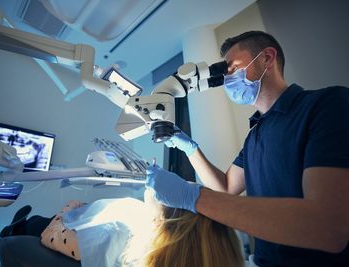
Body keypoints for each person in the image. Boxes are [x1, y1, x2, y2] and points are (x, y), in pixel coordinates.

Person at [146, 30, 349, 267]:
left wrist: (193, 197)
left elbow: (329, 227)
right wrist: (190, 149)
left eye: (232, 68)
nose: (228, 79)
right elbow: (226, 187)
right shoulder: (255, 134)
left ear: (267, 58)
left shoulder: (326, 105)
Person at [0, 190, 244, 267]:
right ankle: (19, 225)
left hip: (53, 235)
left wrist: (67, 212)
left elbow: (52, 238)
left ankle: (14, 230)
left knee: (38, 223)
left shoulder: (128, 243)